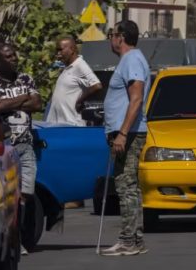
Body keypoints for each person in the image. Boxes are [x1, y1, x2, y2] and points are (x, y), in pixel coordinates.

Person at [100, 20, 151, 256]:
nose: (110, 39)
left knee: (125, 186)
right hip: (126, 132)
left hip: (129, 133)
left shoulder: (132, 60)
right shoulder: (130, 60)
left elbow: (137, 98)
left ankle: (128, 240)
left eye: (112, 34)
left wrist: (122, 133)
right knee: (130, 186)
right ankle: (135, 239)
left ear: (121, 37)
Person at [0, 43, 42, 255]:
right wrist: (22, 99)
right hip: (5, 147)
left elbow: (37, 103)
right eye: (8, 57)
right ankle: (12, 241)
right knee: (7, 197)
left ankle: (18, 235)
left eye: (14, 55)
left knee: (26, 194)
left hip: (26, 145)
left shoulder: (25, 78)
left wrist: (9, 102)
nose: (14, 59)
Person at [46, 36, 102, 126]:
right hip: (58, 124)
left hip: (71, 124)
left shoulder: (80, 65)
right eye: (57, 51)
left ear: (72, 49)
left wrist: (79, 100)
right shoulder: (68, 66)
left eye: (60, 50)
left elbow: (97, 85)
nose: (58, 54)